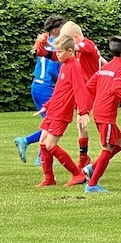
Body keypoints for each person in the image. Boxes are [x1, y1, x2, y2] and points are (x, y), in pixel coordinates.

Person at [82, 36, 121, 193]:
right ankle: (92, 185)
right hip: (105, 113)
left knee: (120, 144)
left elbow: (90, 84)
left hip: (99, 110)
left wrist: (100, 97)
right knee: (107, 148)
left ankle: (92, 168)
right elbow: (116, 89)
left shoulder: (105, 67)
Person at [35, 34, 90, 188]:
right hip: (53, 110)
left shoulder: (74, 67)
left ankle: (78, 175)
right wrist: (48, 105)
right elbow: (60, 90)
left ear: (70, 51)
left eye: (60, 52)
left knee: (50, 145)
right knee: (43, 142)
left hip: (61, 112)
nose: (57, 55)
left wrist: (83, 111)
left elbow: (80, 89)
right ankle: (49, 179)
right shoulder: (65, 64)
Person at [16, 13, 65, 165]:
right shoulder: (58, 45)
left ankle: (41, 157)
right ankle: (29, 144)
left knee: (48, 123)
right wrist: (62, 83)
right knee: (52, 124)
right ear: (55, 30)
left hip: (36, 86)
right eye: (63, 27)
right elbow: (51, 71)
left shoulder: (43, 43)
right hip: (47, 88)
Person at [58, 21, 102, 172]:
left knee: (82, 122)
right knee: (80, 123)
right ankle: (84, 158)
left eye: (69, 40)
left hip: (90, 90)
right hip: (84, 89)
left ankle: (84, 159)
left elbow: (73, 47)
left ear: (76, 37)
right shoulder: (87, 47)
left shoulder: (86, 45)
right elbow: (99, 58)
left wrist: (54, 45)